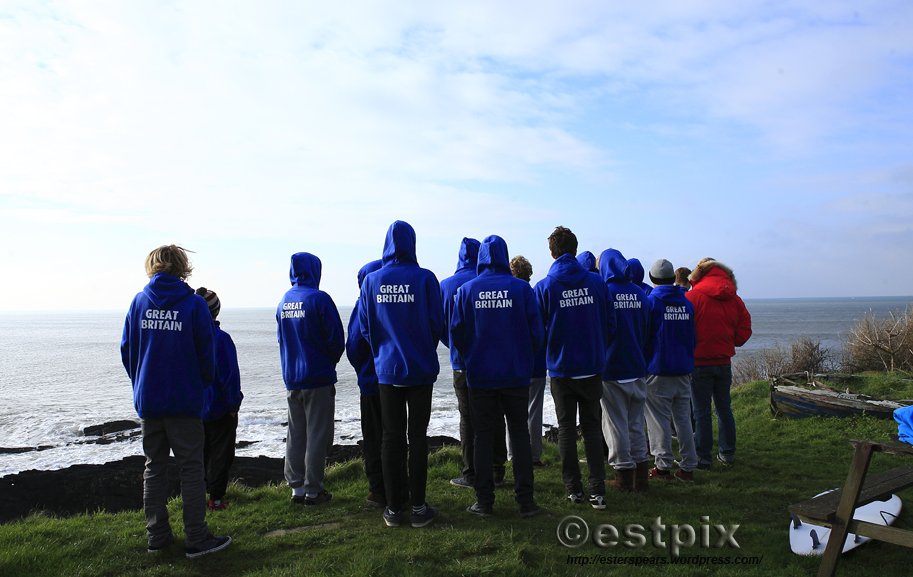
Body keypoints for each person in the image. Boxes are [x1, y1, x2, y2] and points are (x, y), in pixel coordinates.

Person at [121, 245, 231, 558]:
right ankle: (196, 538)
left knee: (154, 468)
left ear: (152, 266)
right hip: (184, 401)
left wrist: (141, 382)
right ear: (183, 267)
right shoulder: (194, 305)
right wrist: (200, 385)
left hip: (150, 401)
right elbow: (206, 354)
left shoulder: (139, 302)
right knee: (191, 469)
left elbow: (127, 350)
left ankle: (157, 537)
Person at [450, 235, 544, 518]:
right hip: (515, 373)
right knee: (519, 434)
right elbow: (537, 333)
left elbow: (456, 333)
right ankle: (525, 501)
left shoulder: (467, 290)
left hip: (480, 376)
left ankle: (484, 501)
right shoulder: (521, 289)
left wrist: (471, 357)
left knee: (482, 437)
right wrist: (523, 359)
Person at [359, 221, 444, 528]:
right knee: (417, 438)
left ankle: (394, 510)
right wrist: (422, 348)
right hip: (420, 370)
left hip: (386, 370)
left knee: (391, 439)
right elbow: (436, 323)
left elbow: (366, 326)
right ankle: (419, 508)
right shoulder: (425, 278)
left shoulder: (372, 280)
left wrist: (383, 352)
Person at [535, 226, 613, 510]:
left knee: (566, 428)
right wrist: (598, 348)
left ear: (552, 253)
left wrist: (550, 352)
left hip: (562, 368)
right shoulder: (596, 282)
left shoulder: (544, 287)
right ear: (575, 249)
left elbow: (537, 331)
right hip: (591, 365)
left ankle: (573, 489)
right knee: (592, 427)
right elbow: (610, 322)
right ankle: (597, 491)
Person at [439, 238, 508, 489]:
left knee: (467, 419)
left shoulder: (445, 286)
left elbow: (441, 327)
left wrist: (456, 347)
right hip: (491, 360)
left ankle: (470, 473)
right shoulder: (488, 281)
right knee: (496, 415)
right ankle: (497, 469)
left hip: (461, 363)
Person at [277, 252, 345, 506]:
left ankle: (296, 488)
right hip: (317, 377)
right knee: (318, 434)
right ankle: (314, 491)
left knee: (296, 433)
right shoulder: (319, 299)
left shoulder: (284, 301)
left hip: (293, 377)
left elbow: (281, 339)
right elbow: (336, 339)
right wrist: (328, 363)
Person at [346, 259, 402, 509]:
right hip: (395, 379)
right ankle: (399, 487)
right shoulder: (393, 303)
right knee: (395, 436)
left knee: (373, 438)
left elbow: (354, 345)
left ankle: (378, 490)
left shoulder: (362, 305)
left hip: (370, 382)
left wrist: (363, 369)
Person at [687, 258, 752, 469]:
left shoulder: (692, 298)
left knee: (702, 413)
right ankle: (727, 453)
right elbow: (745, 328)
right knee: (724, 409)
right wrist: (731, 341)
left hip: (699, 363)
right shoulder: (735, 299)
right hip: (724, 361)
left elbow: (683, 330)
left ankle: (703, 457)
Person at [599, 249, 652, 492]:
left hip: (612, 367)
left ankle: (623, 478)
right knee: (636, 424)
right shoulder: (640, 293)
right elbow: (647, 329)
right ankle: (641, 477)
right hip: (637, 365)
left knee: (615, 425)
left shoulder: (605, 292)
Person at [641, 260, 698, 483]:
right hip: (683, 368)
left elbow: (645, 336)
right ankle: (688, 466)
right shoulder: (686, 302)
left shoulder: (651, 302)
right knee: (683, 419)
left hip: (658, 368)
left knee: (658, 419)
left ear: (652, 279)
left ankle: (663, 466)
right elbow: (692, 336)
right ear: (673, 279)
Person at [194, 287, 244, 511]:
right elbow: (229, 376)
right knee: (221, 456)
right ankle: (215, 499)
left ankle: (197, 497)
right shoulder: (221, 339)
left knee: (199, 456)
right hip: (219, 407)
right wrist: (234, 404)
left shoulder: (190, 337)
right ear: (216, 311)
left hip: (196, 408)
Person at [509, 255, 548, 467]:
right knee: (534, 411)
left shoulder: (509, 298)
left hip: (515, 362)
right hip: (537, 361)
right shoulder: (535, 295)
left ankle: (513, 454)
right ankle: (533, 455)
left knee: (512, 412)